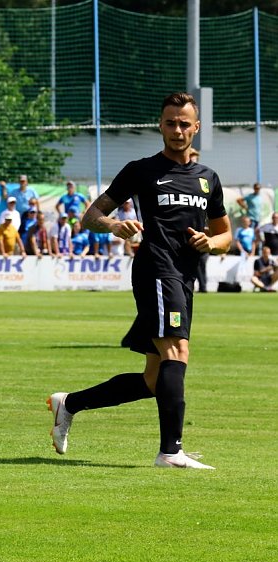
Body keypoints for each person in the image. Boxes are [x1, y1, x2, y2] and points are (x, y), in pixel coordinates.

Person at [47, 92, 231, 470]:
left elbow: (225, 235)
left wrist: (210, 242)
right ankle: (170, 452)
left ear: (196, 127)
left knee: (152, 379)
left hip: (184, 278)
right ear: (160, 126)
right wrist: (116, 225)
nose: (177, 130)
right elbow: (91, 215)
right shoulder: (142, 169)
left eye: (184, 123)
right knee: (177, 353)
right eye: (170, 123)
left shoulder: (208, 179)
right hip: (155, 271)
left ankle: (70, 403)